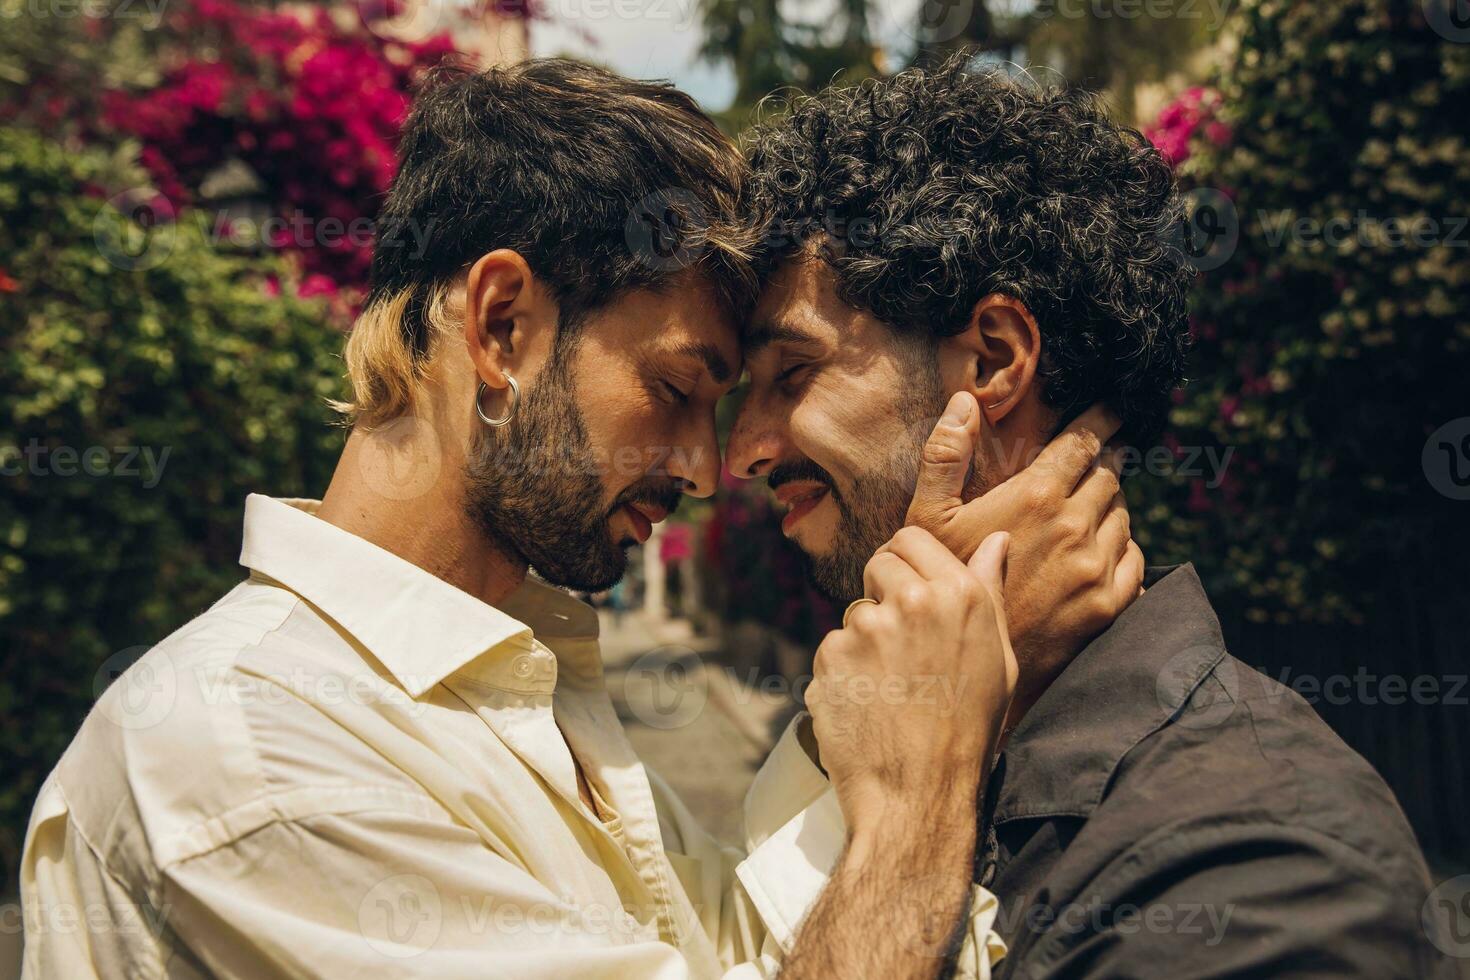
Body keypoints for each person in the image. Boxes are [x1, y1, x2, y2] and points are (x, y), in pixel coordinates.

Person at [19, 59, 1133, 979]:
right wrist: (917, 798)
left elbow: (758, 953)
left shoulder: (522, 682)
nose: (707, 468)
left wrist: (930, 642)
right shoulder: (255, 755)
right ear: (503, 325)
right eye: (676, 389)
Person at [729, 56, 1454, 977]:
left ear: (993, 359)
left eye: (792, 375)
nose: (740, 452)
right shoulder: (911, 737)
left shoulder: (1257, 861)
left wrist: (912, 813)